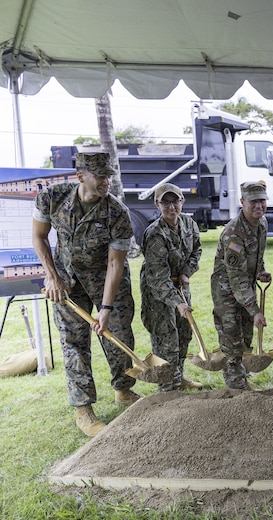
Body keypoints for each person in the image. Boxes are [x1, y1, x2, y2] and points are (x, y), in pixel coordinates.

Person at [32, 152, 140, 437]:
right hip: (67, 281)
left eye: (109, 176)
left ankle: (123, 388)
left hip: (106, 278)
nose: (107, 181)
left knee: (118, 333)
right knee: (74, 341)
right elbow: (39, 236)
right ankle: (83, 409)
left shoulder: (117, 212)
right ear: (81, 176)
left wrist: (105, 309)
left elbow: (116, 262)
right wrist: (53, 277)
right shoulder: (52, 198)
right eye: (100, 176)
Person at [140, 183, 203, 392]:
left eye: (174, 201)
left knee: (184, 333)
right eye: (165, 202)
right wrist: (177, 303)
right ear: (157, 205)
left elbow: (196, 251)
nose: (171, 207)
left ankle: (178, 376)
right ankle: (167, 389)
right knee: (166, 340)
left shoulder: (189, 224)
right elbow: (158, 277)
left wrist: (186, 273)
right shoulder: (155, 234)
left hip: (180, 287)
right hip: (158, 292)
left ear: (182, 201)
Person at [211, 181, 271, 391]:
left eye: (262, 200)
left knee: (246, 334)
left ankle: (242, 379)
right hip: (227, 291)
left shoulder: (261, 224)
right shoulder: (233, 235)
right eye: (253, 201)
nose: (258, 206)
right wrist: (255, 310)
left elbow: (257, 254)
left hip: (246, 287)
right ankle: (235, 388)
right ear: (242, 202)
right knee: (232, 338)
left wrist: (260, 270)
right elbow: (236, 277)